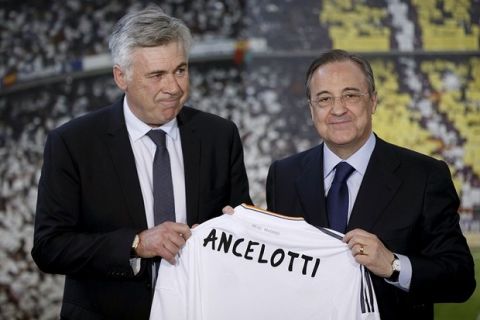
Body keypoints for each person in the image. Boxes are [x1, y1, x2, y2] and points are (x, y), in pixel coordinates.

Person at [31, 6, 251, 320]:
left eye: (181, 70)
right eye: (157, 75)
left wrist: (233, 229)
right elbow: (49, 247)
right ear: (122, 77)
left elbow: (240, 225)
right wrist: (136, 243)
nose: (174, 87)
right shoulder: (73, 143)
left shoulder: (220, 135)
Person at [265, 49, 475, 319]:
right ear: (311, 109)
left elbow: (461, 279)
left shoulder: (424, 175)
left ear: (373, 101)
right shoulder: (283, 175)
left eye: (350, 95)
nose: (338, 109)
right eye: (324, 99)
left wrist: (394, 265)